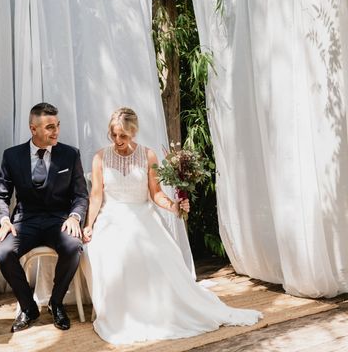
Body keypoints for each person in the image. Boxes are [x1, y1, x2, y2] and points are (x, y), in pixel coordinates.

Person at [83, 107, 262, 345]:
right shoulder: (100, 157)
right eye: (113, 135)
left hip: (143, 215)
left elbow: (155, 194)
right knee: (113, 252)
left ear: (133, 132)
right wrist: (89, 225)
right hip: (111, 217)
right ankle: (125, 313)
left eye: (123, 136)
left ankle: (161, 310)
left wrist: (174, 206)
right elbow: (96, 196)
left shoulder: (148, 156)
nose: (118, 141)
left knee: (156, 254)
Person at [0, 103, 89, 332]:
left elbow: (80, 195)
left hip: (59, 220)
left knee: (74, 246)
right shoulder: (12, 156)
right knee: (2, 252)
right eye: (48, 127)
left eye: (57, 125)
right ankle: (28, 307)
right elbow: (0, 195)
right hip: (25, 221)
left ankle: (56, 303)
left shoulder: (70, 154)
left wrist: (75, 217)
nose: (55, 131)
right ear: (33, 129)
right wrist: (5, 220)